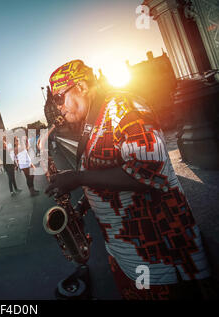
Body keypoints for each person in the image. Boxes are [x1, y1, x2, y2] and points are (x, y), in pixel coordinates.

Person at [45, 59, 214, 299]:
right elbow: (103, 173)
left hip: (159, 254)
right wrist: (82, 206)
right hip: (125, 254)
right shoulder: (92, 122)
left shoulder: (124, 106)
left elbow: (150, 171)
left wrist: (78, 177)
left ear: (81, 87)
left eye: (59, 97)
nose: (58, 107)